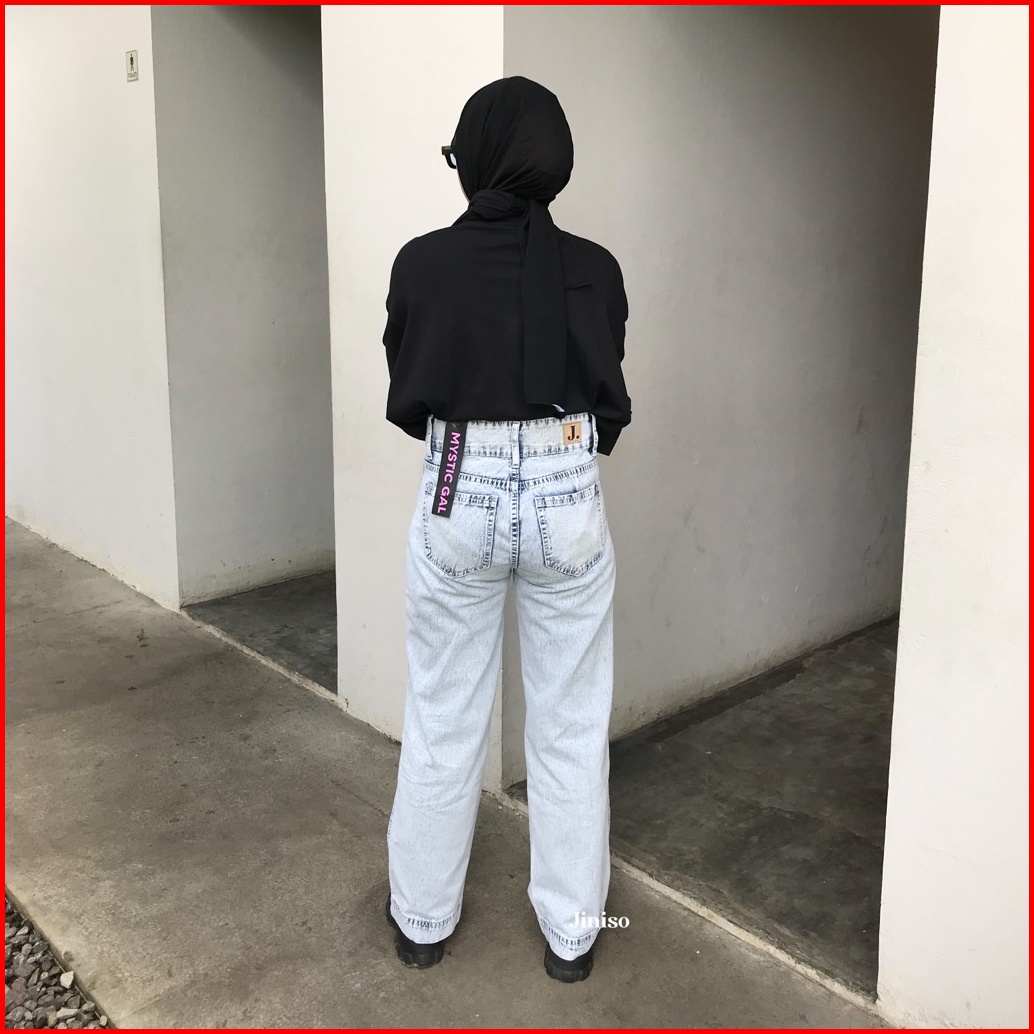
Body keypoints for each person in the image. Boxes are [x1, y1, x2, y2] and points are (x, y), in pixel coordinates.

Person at [381, 75, 631, 983]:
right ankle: (573, 937)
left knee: (443, 715)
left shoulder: (422, 263)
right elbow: (608, 385)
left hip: (462, 483)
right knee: (570, 726)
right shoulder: (596, 268)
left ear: (479, 158)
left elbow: (408, 380)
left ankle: (422, 922)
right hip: (567, 488)